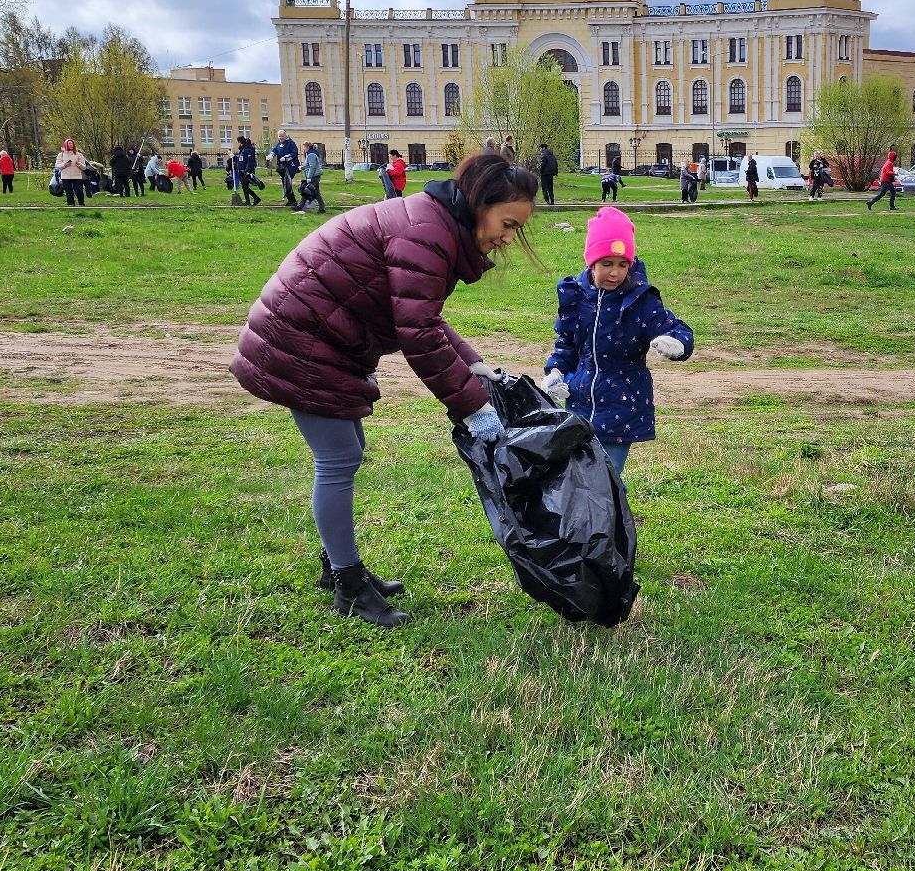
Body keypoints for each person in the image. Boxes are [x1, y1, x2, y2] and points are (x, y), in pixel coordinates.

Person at [230, 152, 540, 628]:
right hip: (302, 336)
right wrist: (474, 408)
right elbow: (417, 332)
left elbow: (423, 317)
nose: (508, 237)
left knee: (345, 452)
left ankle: (338, 564)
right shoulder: (428, 232)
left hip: (318, 333)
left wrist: (472, 363)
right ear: (481, 203)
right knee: (338, 459)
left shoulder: (434, 223)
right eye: (507, 223)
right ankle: (348, 584)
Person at [541, 205, 694, 480]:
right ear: (591, 263)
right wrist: (555, 372)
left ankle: (611, 523)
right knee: (577, 476)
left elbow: (676, 329)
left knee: (606, 479)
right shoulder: (576, 298)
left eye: (623, 264)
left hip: (622, 404)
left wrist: (677, 344)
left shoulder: (640, 300)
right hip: (579, 402)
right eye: (607, 264)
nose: (615, 273)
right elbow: (566, 343)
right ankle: (587, 523)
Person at [55, 139, 90, 206]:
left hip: (77, 176)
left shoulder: (78, 154)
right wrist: (64, 165)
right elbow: (57, 166)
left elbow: (84, 167)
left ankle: (81, 204)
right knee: (69, 192)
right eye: (69, 143)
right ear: (65, 145)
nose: (71, 145)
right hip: (65, 176)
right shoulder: (61, 155)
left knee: (79, 191)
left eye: (72, 143)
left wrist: (79, 164)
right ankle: (71, 205)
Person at [270, 129, 301, 206]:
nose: (281, 138)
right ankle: (291, 200)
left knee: (287, 183)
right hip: (282, 167)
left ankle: (293, 201)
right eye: (279, 136)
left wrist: (286, 157)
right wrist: (271, 155)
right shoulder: (279, 144)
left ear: (285, 136)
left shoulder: (291, 143)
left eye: (282, 136)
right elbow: (275, 150)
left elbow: (294, 152)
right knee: (285, 183)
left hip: (291, 167)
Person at [231, 135, 262, 206]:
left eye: (237, 142)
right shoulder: (243, 149)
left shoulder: (248, 149)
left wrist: (246, 171)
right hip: (242, 171)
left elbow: (250, 161)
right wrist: (234, 157)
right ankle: (248, 201)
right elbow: (241, 160)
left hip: (246, 171)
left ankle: (256, 198)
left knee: (245, 187)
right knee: (245, 187)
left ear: (240, 142)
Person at [300, 143, 324, 213]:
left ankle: (320, 208)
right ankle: (300, 206)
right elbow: (309, 165)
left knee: (308, 190)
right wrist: (303, 167)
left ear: (307, 147)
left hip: (314, 176)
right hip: (314, 175)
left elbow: (312, 167)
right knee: (310, 191)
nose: (303, 149)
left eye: (304, 147)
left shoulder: (311, 155)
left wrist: (309, 177)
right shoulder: (311, 153)